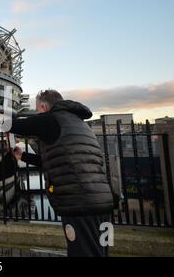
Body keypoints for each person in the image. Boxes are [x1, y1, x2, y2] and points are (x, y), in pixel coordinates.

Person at [10, 89, 114, 257]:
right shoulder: (79, 124)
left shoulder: (51, 119)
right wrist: (23, 156)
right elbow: (55, 162)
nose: (37, 114)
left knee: (82, 253)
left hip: (80, 204)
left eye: (37, 110)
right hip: (103, 204)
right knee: (100, 252)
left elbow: (13, 125)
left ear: (43, 107)